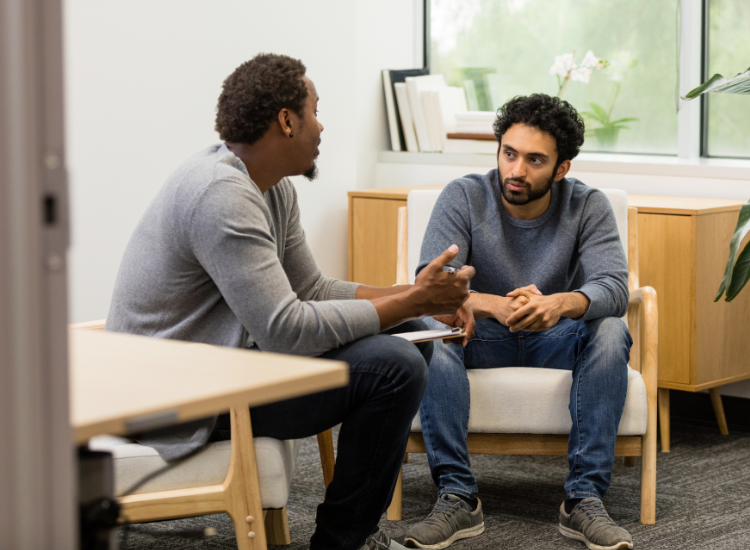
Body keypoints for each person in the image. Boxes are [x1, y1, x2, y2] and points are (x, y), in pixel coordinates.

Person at [106, 53, 476, 550]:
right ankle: (342, 541)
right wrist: (413, 301)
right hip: (174, 400)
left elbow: (313, 291)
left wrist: (418, 297)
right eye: (316, 111)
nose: (322, 127)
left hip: (222, 369)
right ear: (287, 120)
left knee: (409, 338)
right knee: (396, 365)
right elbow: (287, 328)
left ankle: (355, 532)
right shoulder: (220, 193)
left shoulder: (270, 188)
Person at [403, 94, 633, 550]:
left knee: (610, 329)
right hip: (479, 336)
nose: (516, 170)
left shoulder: (589, 205)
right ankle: (457, 496)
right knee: (432, 326)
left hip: (555, 338)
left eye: (534, 160)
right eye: (509, 153)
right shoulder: (464, 195)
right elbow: (431, 283)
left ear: (561, 168)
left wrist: (559, 303)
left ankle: (583, 500)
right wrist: (491, 304)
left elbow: (615, 288)